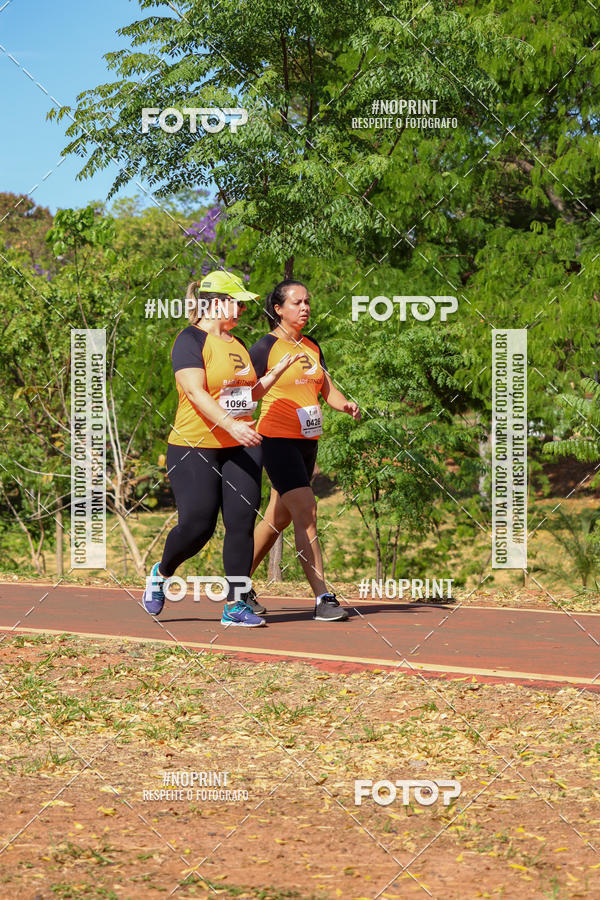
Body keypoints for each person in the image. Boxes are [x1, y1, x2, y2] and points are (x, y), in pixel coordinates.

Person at [142, 270, 300, 626]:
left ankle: (235, 604)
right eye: (237, 303)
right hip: (194, 446)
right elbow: (196, 393)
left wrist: (272, 376)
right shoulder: (189, 340)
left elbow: (245, 397)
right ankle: (161, 573)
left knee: (241, 523)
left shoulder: (237, 343)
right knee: (198, 526)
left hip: (240, 445)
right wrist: (230, 425)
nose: (242, 309)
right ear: (216, 303)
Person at [248, 279, 361, 621]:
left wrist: (345, 405)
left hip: (307, 442)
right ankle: (323, 598)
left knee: (278, 518)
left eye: (307, 302)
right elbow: (245, 392)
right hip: (276, 439)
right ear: (278, 309)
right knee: (307, 511)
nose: (305, 307)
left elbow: (327, 388)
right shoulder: (265, 348)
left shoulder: (312, 345)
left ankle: (237, 584)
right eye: (297, 302)